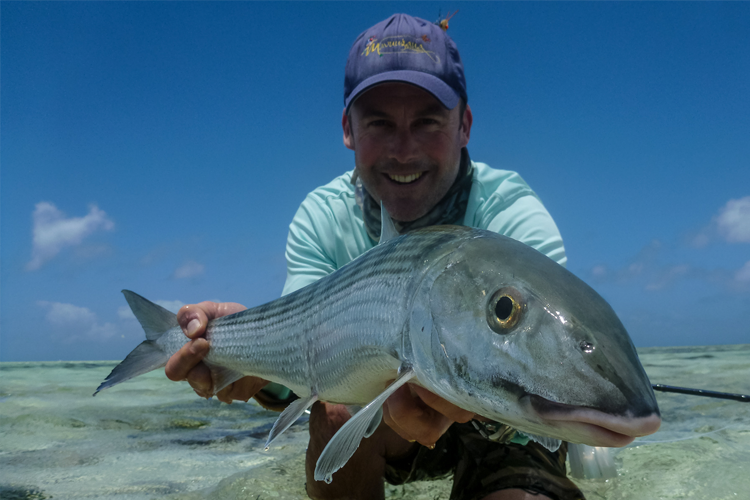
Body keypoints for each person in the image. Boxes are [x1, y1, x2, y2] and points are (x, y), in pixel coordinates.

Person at [165, 13, 585, 500]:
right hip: (373, 417)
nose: (403, 151)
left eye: (427, 122)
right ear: (348, 129)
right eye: (379, 123)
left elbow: (549, 358)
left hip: (501, 419)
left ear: (464, 125)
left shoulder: (510, 213)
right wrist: (246, 358)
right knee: (335, 406)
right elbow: (304, 361)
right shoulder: (322, 216)